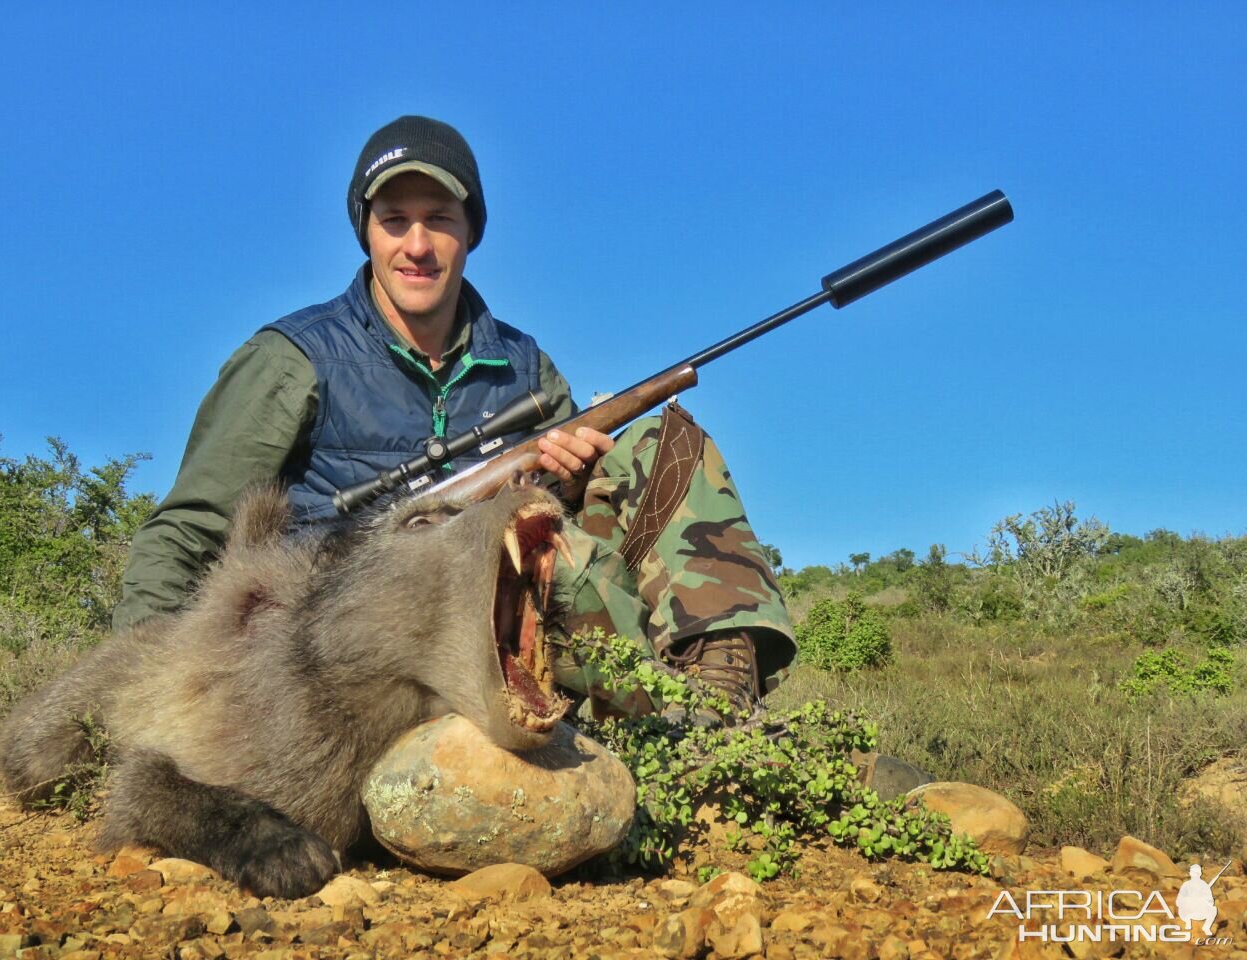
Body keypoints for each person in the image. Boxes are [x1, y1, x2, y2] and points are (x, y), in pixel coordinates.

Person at [114, 115, 796, 722]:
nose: (417, 244)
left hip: (503, 615)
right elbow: (190, 528)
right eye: (395, 219)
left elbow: (567, 516)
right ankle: (655, 717)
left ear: (471, 231)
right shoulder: (292, 358)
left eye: (439, 218)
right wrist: (138, 683)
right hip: (345, 631)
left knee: (660, 442)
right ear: (366, 233)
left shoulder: (526, 367)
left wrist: (566, 478)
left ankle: (716, 704)